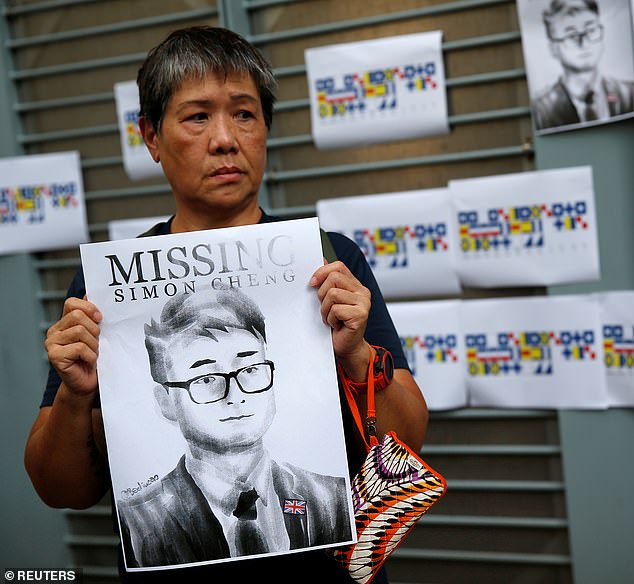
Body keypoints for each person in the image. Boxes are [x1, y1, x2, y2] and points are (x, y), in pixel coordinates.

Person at [24, 26, 428, 583]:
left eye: (244, 114)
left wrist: (356, 354)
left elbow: (407, 441)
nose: (224, 139)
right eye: (197, 117)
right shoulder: (110, 288)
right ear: (151, 136)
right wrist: (74, 394)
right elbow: (60, 489)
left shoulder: (329, 261)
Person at [119, 287, 352, 567]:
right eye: (206, 378)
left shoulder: (331, 498)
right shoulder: (139, 520)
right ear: (166, 401)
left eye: (250, 369)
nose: (235, 395)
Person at [531, 0, 634, 131]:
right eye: (571, 35)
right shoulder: (541, 110)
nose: (584, 43)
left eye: (590, 30)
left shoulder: (630, 94)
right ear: (553, 48)